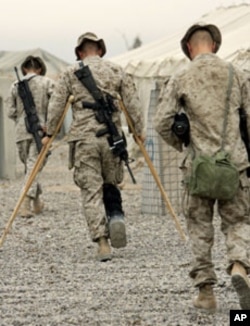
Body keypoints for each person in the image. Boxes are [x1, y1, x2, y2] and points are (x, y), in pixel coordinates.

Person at [154, 23, 250, 310]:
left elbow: (161, 122)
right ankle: (239, 266)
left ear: (188, 47)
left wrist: (183, 145)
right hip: (234, 166)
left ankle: (206, 294)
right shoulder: (239, 75)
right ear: (216, 45)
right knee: (238, 222)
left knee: (199, 227)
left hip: (197, 167)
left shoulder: (181, 76)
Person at [42, 32, 144, 262]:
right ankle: (116, 215)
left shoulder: (70, 73)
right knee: (110, 182)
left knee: (91, 190)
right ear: (101, 50)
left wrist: (49, 133)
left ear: (79, 52)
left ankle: (102, 242)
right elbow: (132, 103)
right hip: (112, 139)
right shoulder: (116, 70)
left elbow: (56, 105)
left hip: (84, 139)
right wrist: (138, 130)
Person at [7, 55, 54, 218]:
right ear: (40, 69)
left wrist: (20, 120)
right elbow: (56, 105)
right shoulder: (47, 82)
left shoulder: (15, 85)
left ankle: (33, 202)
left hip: (21, 133)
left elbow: (10, 112)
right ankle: (26, 203)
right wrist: (51, 124)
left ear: (25, 69)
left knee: (31, 167)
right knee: (33, 167)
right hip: (42, 131)